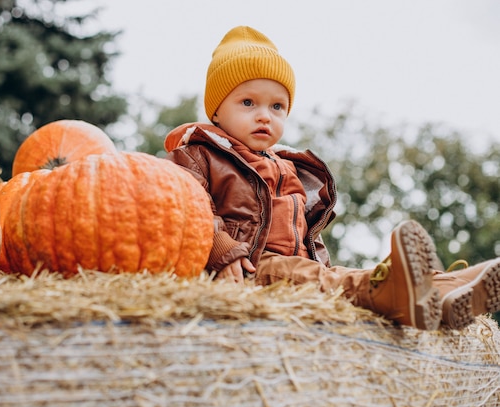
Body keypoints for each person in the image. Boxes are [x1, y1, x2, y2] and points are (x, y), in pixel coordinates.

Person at [164, 26, 500, 331]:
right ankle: (397, 292)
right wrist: (223, 251)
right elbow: (186, 207)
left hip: (298, 267)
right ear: (217, 110)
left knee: (335, 277)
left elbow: (305, 235)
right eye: (248, 102)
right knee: (328, 281)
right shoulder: (199, 153)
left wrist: (322, 264)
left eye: (277, 106)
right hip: (251, 267)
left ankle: (449, 287)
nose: (264, 115)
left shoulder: (288, 165)